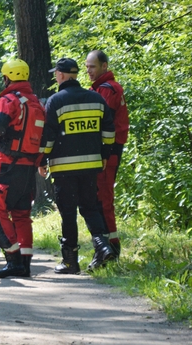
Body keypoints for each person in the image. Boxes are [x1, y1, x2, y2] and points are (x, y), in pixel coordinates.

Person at [38, 58, 116, 274]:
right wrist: (104, 155)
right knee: (91, 208)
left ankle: (70, 261)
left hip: (64, 168)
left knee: (68, 212)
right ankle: (102, 246)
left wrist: (42, 160)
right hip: (91, 165)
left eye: (56, 73)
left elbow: (49, 136)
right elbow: (109, 132)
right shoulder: (96, 98)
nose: (55, 76)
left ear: (62, 75)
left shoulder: (55, 101)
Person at [0, 59, 46, 278]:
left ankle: (13, 260)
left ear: (7, 77)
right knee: (21, 214)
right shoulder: (36, 102)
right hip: (28, 168)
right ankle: (25, 263)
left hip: (7, 166)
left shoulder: (10, 100)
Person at [85, 50, 129, 257]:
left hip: (107, 152)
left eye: (92, 66)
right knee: (99, 197)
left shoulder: (107, 89)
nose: (89, 71)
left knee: (102, 198)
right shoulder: (102, 89)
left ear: (104, 66)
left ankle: (110, 248)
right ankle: (106, 246)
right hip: (105, 151)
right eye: (86, 66)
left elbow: (101, 121)